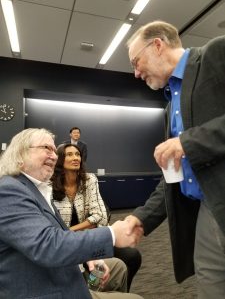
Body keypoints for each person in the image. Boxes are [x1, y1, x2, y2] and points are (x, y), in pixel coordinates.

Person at [126, 20, 225, 299]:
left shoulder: (216, 53)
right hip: (208, 213)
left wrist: (188, 141)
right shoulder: (171, 106)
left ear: (157, 45)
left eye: (136, 61)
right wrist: (141, 218)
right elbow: (175, 176)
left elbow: (190, 146)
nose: (135, 73)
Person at [0, 128, 143, 299]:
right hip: (49, 286)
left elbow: (87, 222)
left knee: (118, 268)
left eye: (54, 150)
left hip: (66, 265)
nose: (53, 155)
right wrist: (112, 234)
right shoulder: (10, 191)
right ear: (21, 153)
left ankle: (93, 287)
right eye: (46, 148)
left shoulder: (38, 188)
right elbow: (48, 245)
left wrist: (89, 255)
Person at [52, 143, 142, 291]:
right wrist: (79, 229)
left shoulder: (89, 180)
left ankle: (113, 291)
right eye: (69, 154)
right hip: (65, 243)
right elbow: (54, 229)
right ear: (60, 159)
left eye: (77, 154)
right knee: (89, 268)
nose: (75, 158)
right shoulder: (50, 186)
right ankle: (91, 291)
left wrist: (70, 231)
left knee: (132, 257)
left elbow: (99, 216)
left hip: (89, 236)